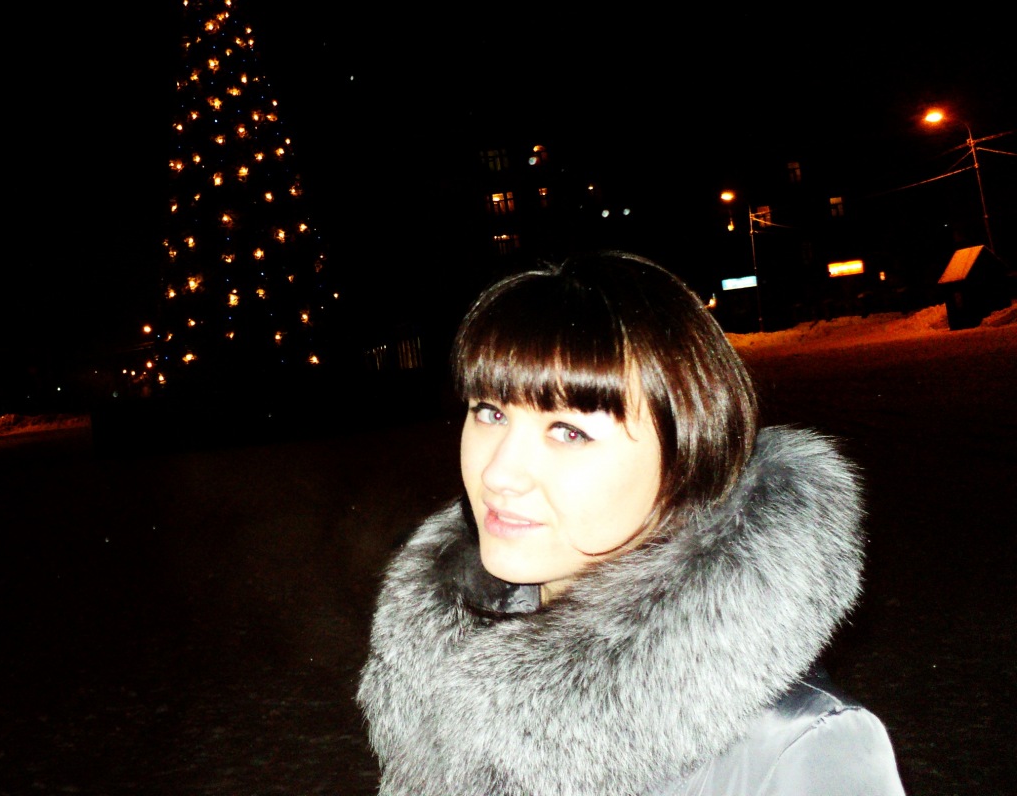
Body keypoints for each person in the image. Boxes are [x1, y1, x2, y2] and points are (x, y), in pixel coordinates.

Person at [358, 252, 905, 795]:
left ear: (685, 459)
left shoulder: (796, 749)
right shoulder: (437, 673)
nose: (498, 474)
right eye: (490, 412)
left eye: (569, 431)